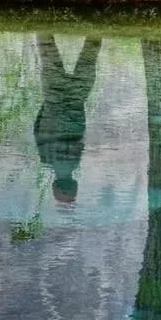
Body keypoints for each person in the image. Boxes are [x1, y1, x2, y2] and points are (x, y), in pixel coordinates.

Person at [34, 34, 102, 202]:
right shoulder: (45, 158)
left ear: (74, 183)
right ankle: (41, 13)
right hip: (54, 99)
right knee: (47, 48)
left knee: (90, 52)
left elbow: (79, 131)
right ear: (55, 184)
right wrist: (47, 103)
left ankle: (99, 17)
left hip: (76, 99)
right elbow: (36, 129)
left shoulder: (74, 162)